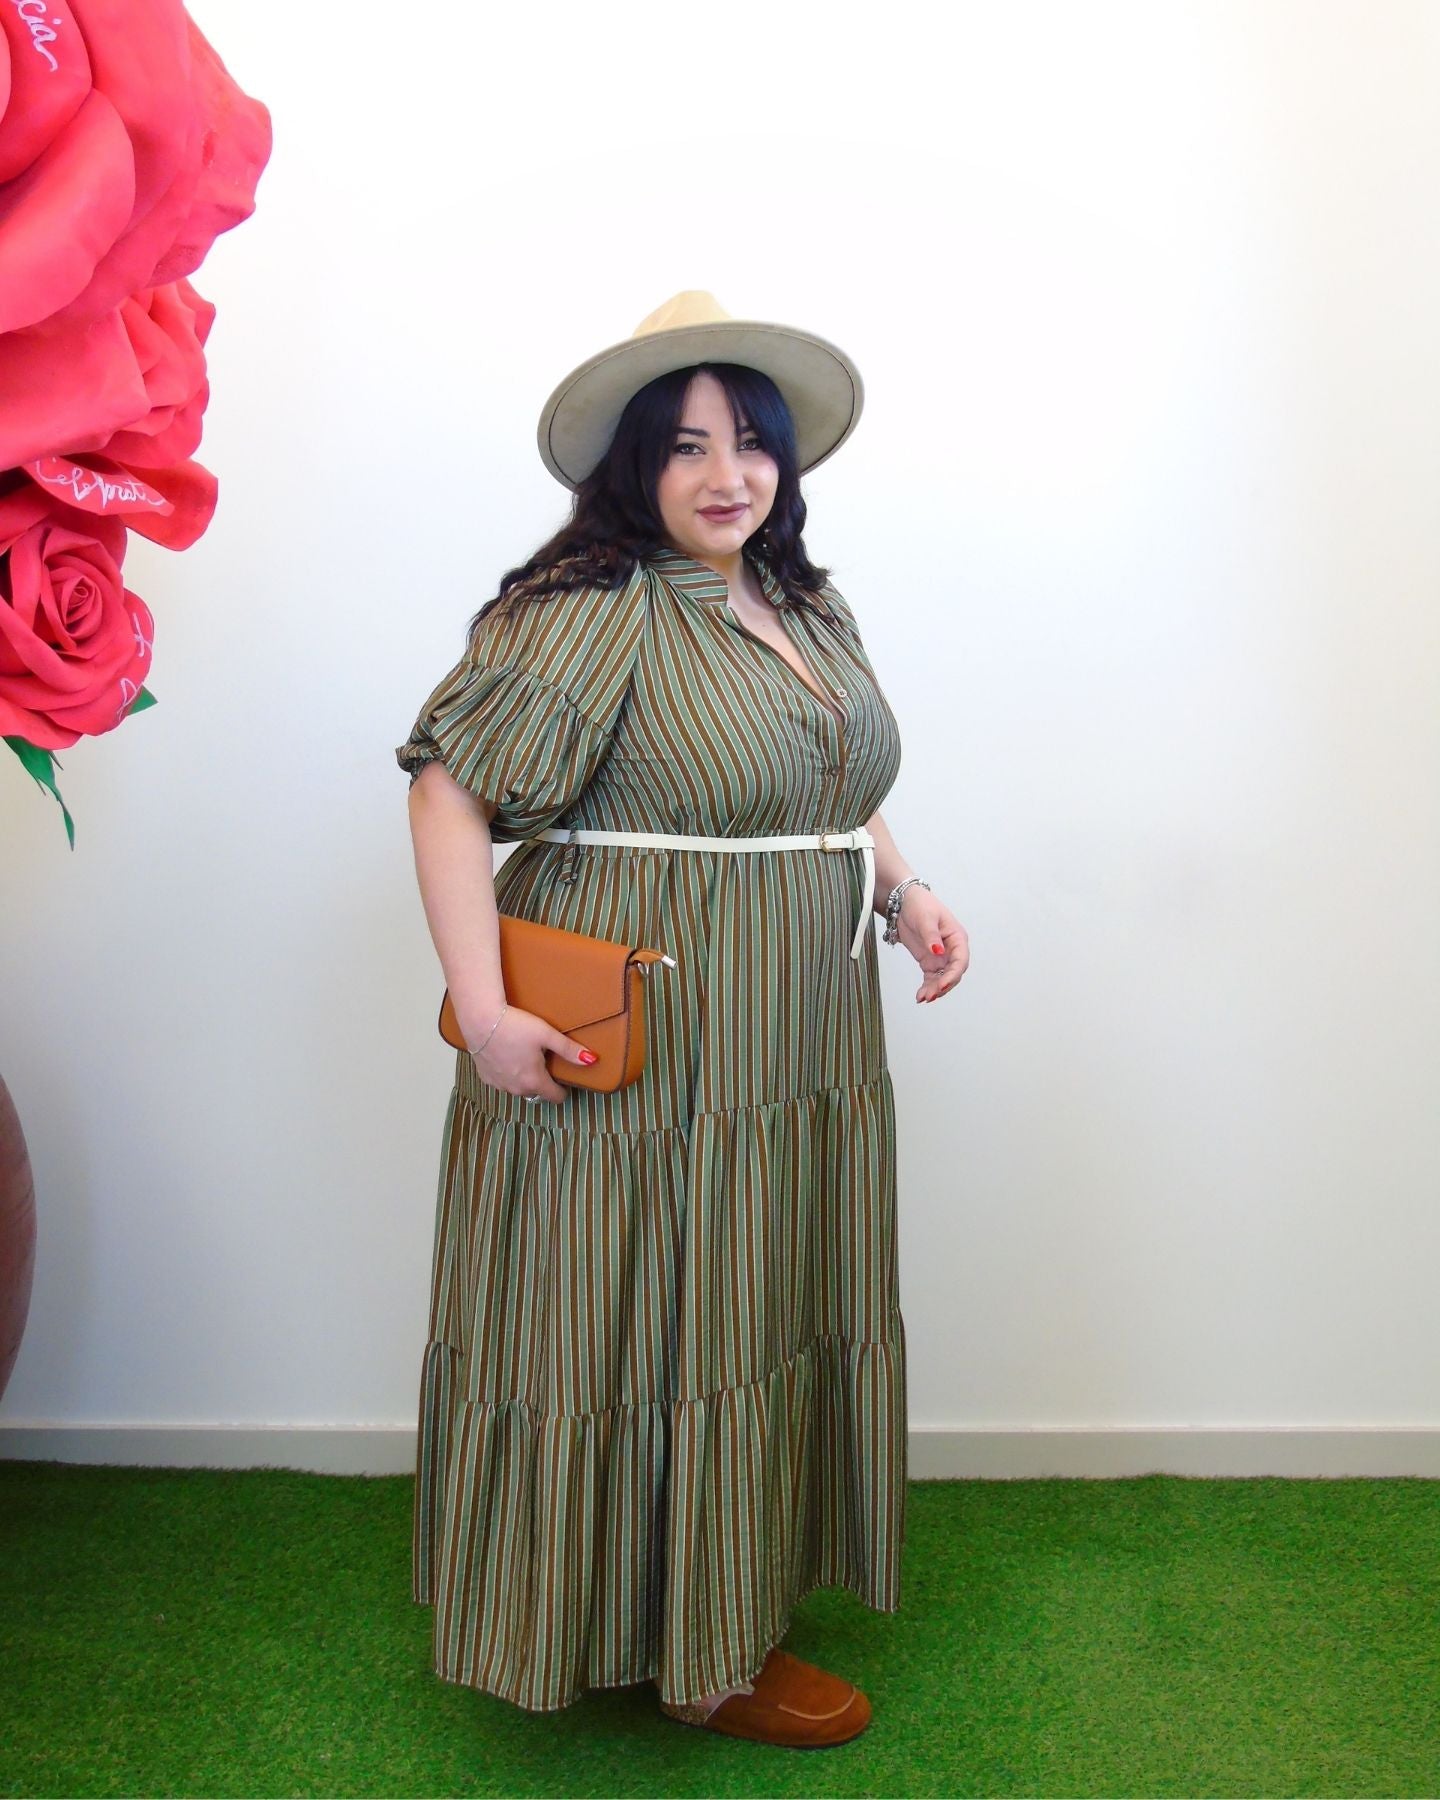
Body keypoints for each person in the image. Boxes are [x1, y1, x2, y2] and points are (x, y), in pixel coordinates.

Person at [396, 291, 970, 1748]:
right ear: (634, 467)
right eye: (687, 446)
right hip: (652, 1036)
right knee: (650, 1310)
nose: (728, 475)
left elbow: (828, 782)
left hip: (797, 1031)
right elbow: (449, 791)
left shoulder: (805, 602)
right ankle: (692, 1655)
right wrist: (484, 1008)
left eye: (751, 442)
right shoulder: (590, 610)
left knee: (755, 1299)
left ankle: (723, 1592)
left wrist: (902, 891)